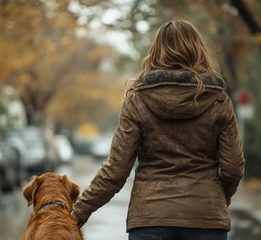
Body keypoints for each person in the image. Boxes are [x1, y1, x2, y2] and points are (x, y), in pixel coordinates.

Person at [71, 19, 245, 240]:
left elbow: (115, 171)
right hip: (206, 220)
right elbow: (233, 168)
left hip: (150, 220)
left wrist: (78, 213)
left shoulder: (137, 100)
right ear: (199, 51)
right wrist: (217, 199)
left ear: (156, 52)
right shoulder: (219, 100)